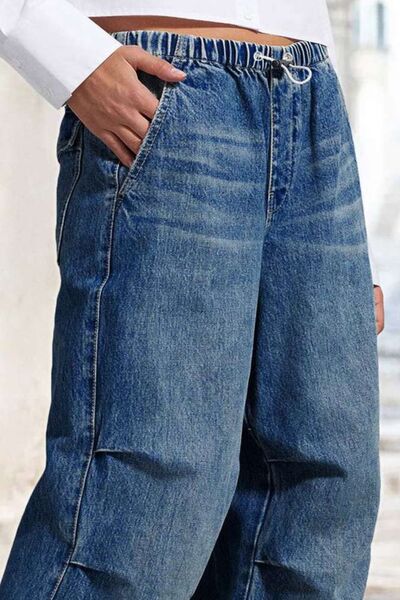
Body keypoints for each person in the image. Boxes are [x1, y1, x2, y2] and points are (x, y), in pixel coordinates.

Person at [0, 2, 384, 599]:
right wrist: (59, 49)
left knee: (319, 500)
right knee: (139, 501)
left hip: (310, 93)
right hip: (170, 85)